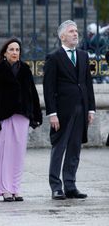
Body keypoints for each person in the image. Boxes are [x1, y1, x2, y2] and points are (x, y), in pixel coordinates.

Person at [43, 20, 96, 200]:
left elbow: (87, 83)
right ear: (62, 36)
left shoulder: (83, 55)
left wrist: (91, 109)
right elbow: (48, 88)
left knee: (75, 148)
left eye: (76, 31)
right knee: (59, 147)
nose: (76, 34)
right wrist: (52, 113)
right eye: (71, 31)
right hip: (62, 111)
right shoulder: (54, 57)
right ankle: (56, 186)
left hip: (81, 109)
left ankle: (70, 184)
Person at [0, 37, 42, 202]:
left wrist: (36, 116)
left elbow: (32, 93)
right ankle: (5, 189)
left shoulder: (25, 69)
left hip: (22, 116)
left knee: (18, 154)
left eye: (17, 50)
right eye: (11, 49)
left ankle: (16, 188)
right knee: (4, 154)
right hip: (4, 117)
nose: (14, 52)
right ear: (5, 52)